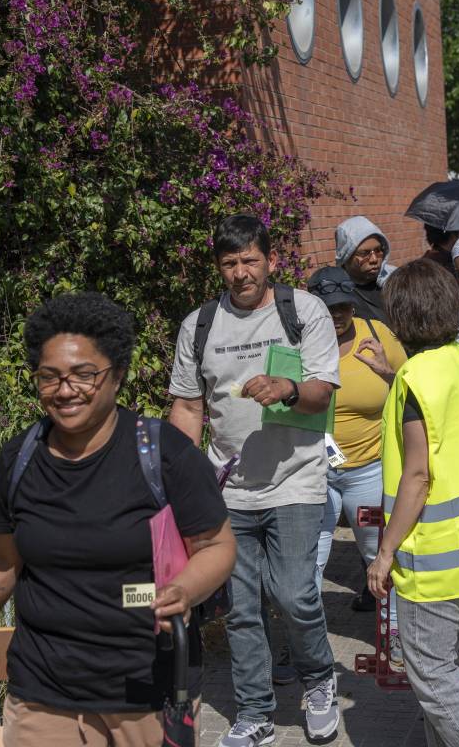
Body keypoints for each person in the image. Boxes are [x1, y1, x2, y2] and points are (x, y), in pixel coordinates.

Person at [0, 292, 235, 744]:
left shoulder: (165, 454)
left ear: (117, 376)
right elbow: (1, 564)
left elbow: (217, 546)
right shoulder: (19, 458)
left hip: (148, 690)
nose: (65, 390)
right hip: (42, 692)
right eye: (50, 377)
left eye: (84, 375)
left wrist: (184, 589)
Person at [168, 215, 342, 746]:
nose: (241, 272)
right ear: (218, 268)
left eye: (249, 260)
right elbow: (188, 406)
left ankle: (319, 681)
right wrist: (180, 476)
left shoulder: (303, 310)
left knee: (292, 594)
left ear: (269, 260)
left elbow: (322, 392)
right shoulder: (200, 324)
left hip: (296, 480)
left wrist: (288, 386)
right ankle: (255, 713)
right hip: (228, 490)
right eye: (229, 263)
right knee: (241, 609)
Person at [366, 259, 459, 747]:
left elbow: (417, 476)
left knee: (432, 674)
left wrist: (384, 552)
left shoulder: (416, 378)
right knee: (442, 667)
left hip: (434, 554)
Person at [306, 266, 407, 665]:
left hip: (368, 468)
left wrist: (388, 371)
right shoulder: (298, 340)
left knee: (378, 553)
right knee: (309, 559)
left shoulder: (379, 335)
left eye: (345, 305)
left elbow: (413, 386)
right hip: (313, 470)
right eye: (328, 307)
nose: (337, 314)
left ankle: (395, 630)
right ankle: (305, 642)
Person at [336, 215, 396, 324]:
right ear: (346, 255)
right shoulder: (336, 292)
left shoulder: (395, 280)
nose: (373, 259)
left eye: (378, 250)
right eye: (364, 253)